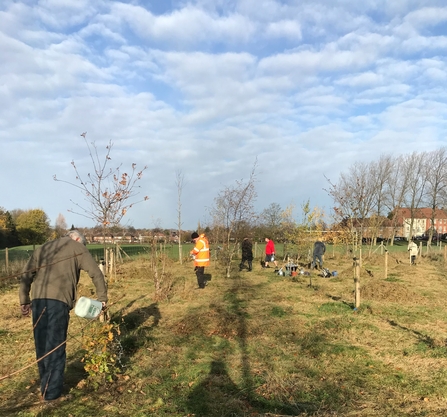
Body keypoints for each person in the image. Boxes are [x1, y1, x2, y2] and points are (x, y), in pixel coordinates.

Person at [19, 230, 108, 402]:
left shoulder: (44, 247)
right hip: (58, 303)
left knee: (42, 346)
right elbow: (96, 273)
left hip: (38, 301)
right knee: (55, 347)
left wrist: (24, 299)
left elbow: (26, 275)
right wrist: (102, 299)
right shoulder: (77, 247)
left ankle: (46, 387)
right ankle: (52, 396)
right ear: (76, 239)